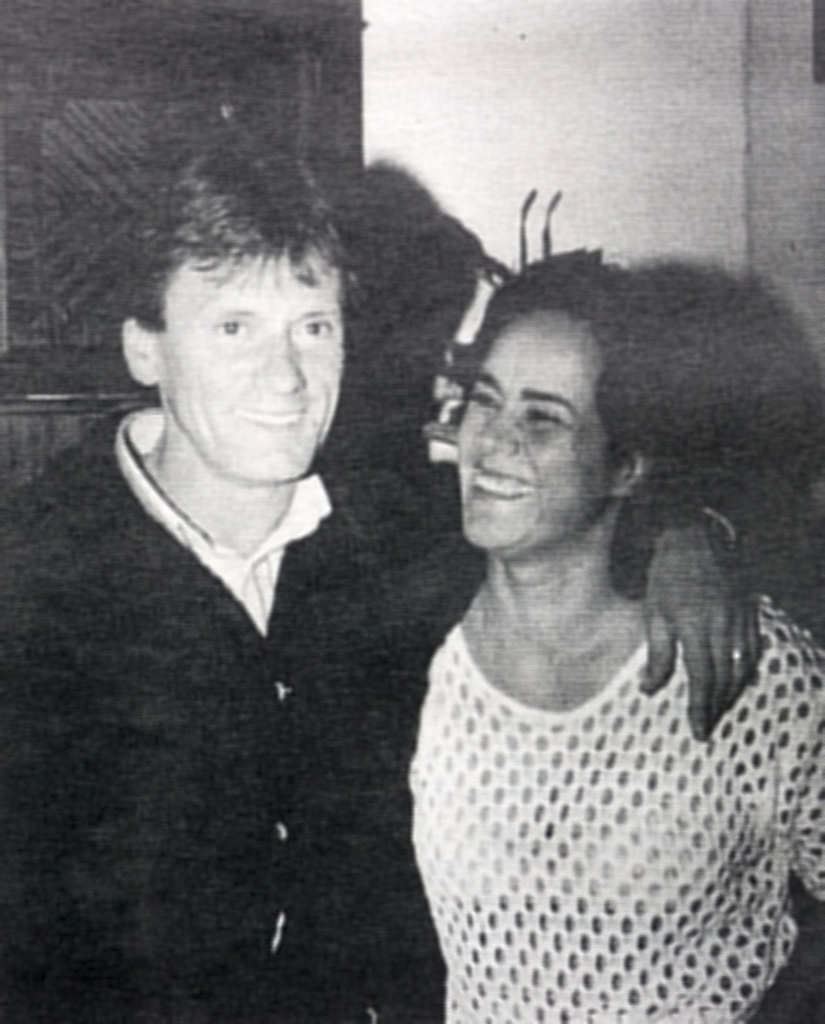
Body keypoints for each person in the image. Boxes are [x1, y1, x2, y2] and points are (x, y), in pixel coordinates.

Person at [0, 128, 759, 1023]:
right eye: (234, 327)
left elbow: (578, 506)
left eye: (313, 327)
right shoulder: (33, 579)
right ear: (145, 349)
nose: (286, 378)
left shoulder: (394, 527)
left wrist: (688, 537)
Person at [407, 258, 825, 1023]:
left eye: (543, 419)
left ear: (626, 467)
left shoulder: (748, 667)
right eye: (485, 401)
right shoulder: (408, 650)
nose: (492, 441)